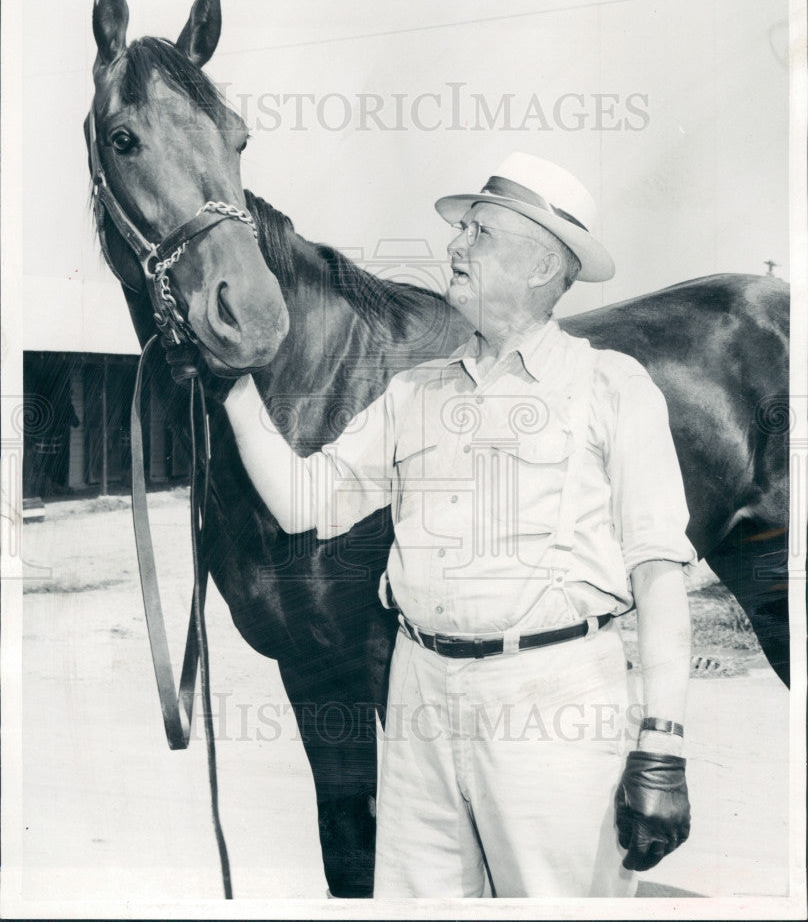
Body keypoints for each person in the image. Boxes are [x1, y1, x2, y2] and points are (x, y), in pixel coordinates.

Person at [168, 152, 694, 898]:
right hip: (418, 702)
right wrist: (234, 388)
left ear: (543, 265)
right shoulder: (414, 391)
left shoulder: (612, 388)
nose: (453, 248)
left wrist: (663, 747)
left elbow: (658, 573)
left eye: (477, 234)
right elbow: (304, 502)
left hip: (552, 704)